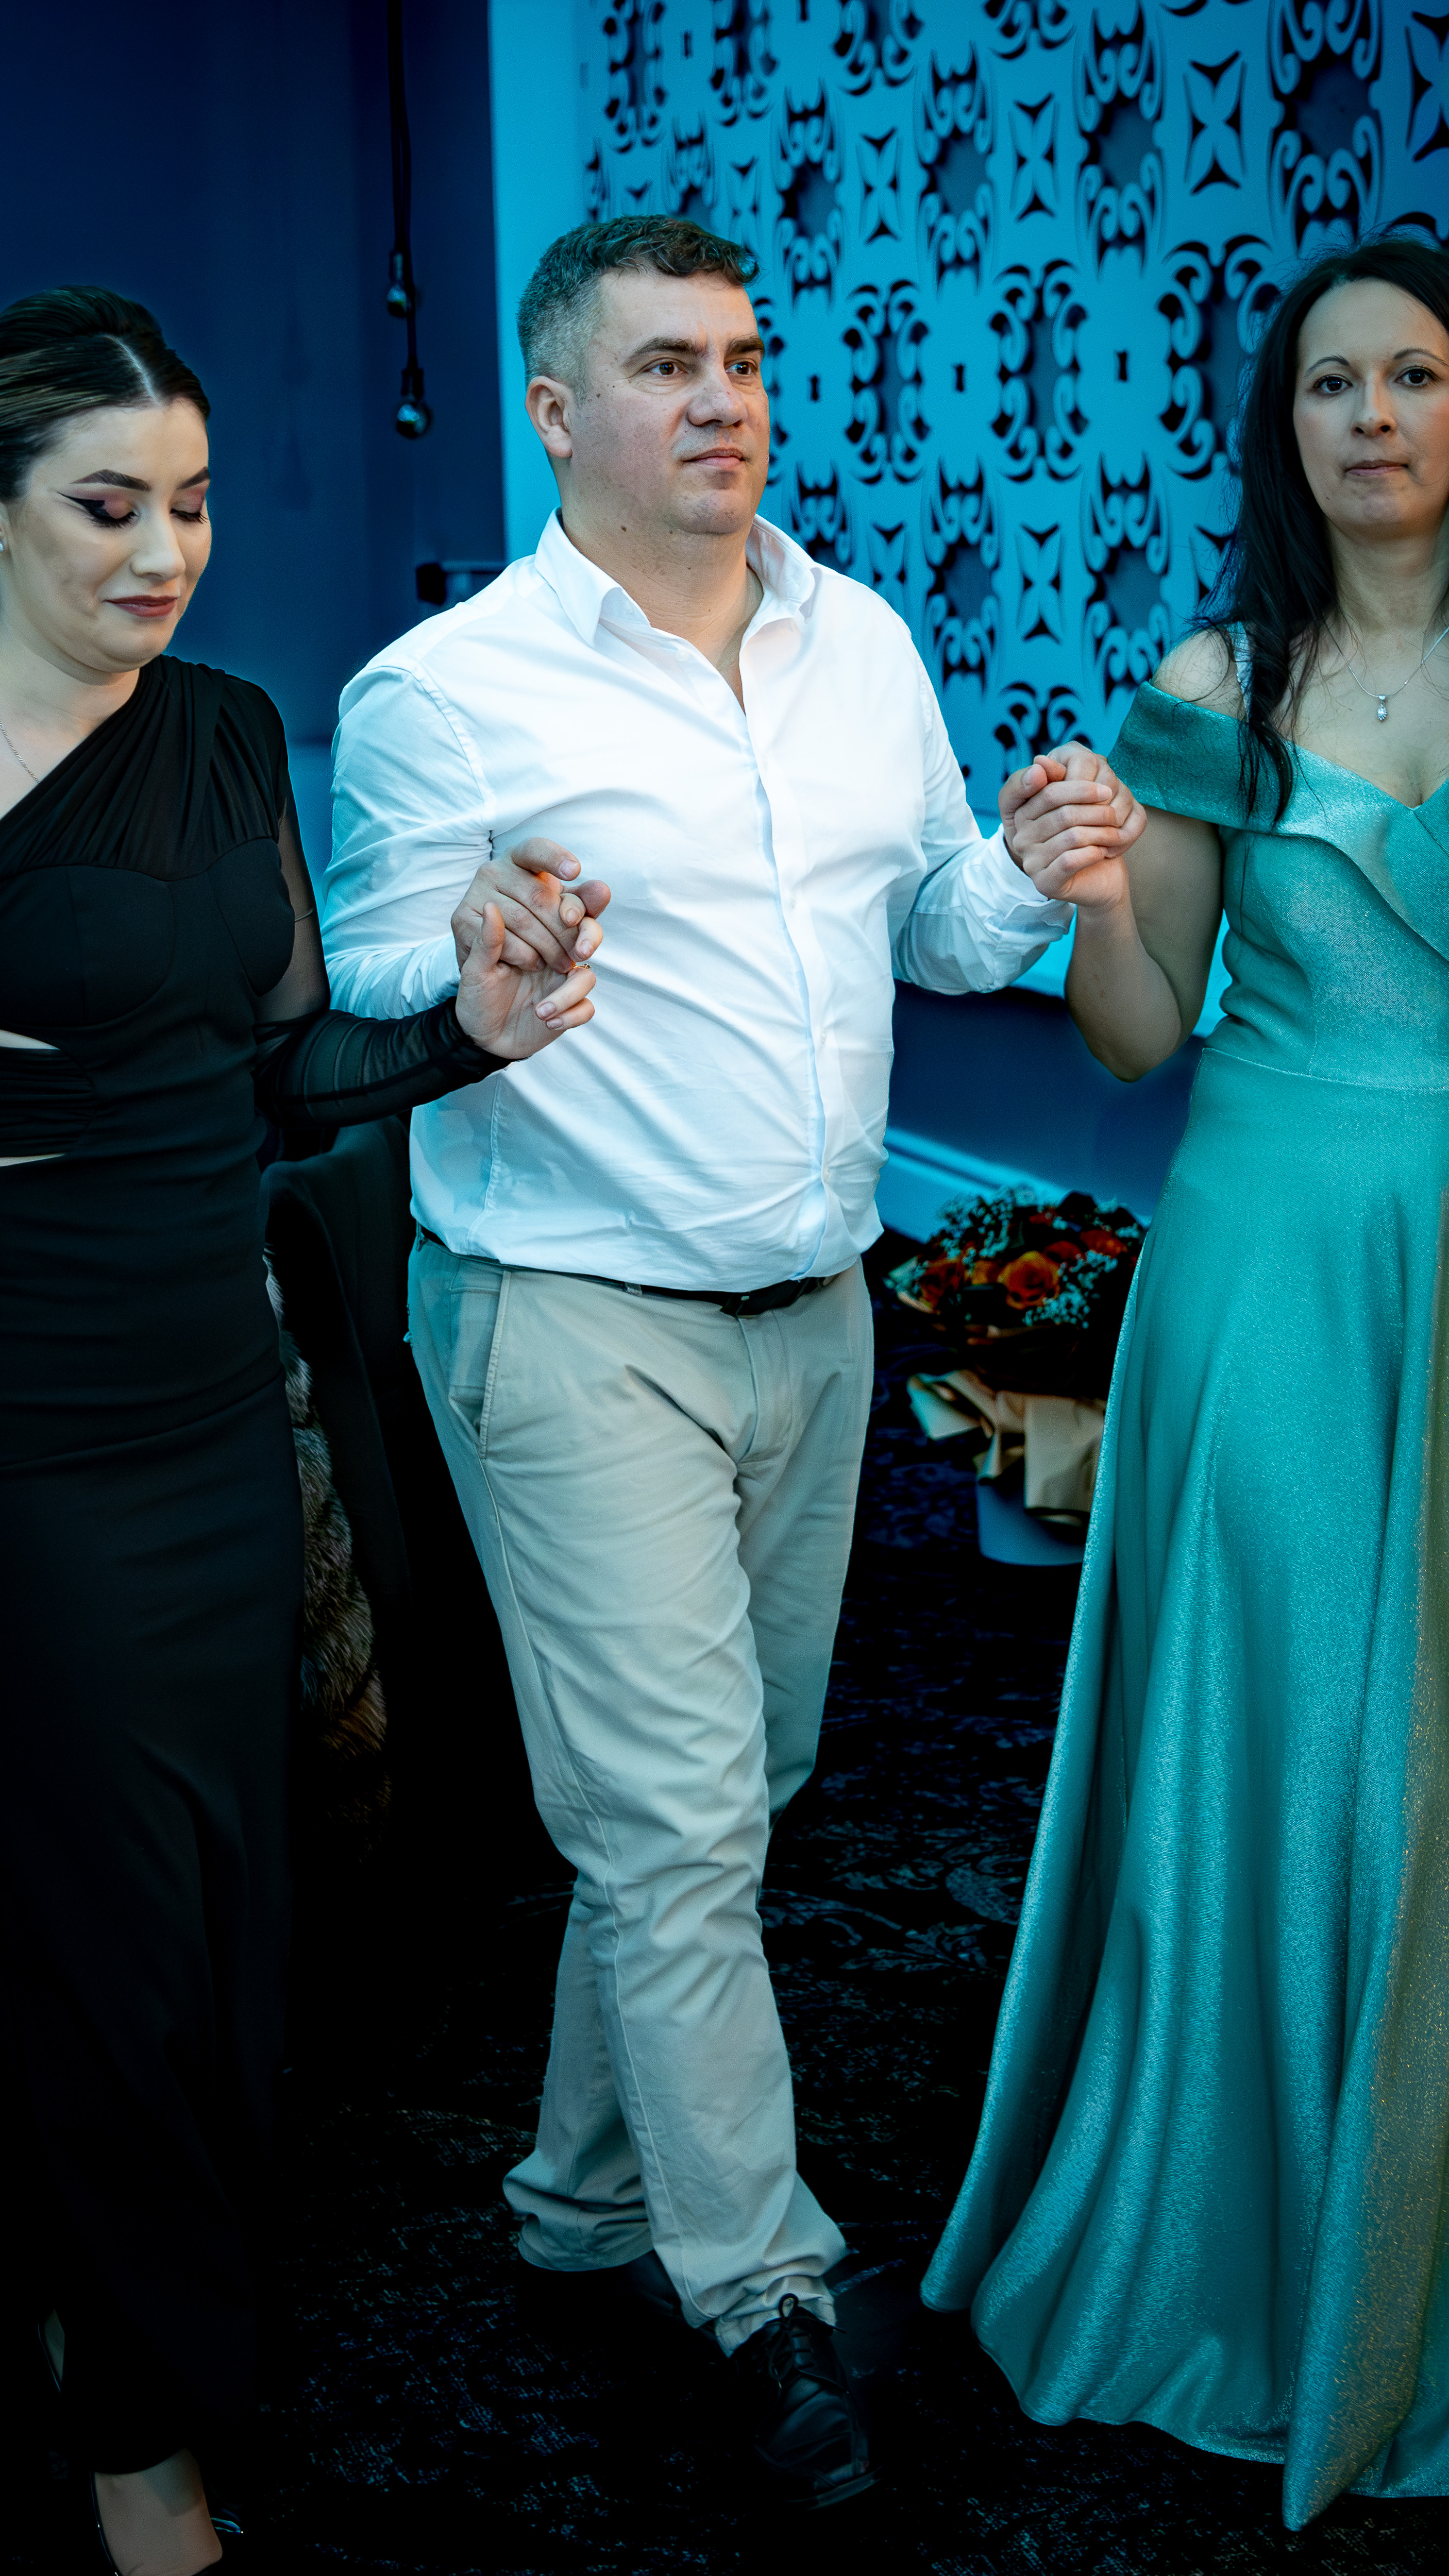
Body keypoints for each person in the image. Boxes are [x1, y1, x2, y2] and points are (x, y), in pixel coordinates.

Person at [321, 213, 1139, 2507]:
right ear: (553, 410)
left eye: (744, 359)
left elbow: (933, 930)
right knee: (677, 1823)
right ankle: (759, 2288)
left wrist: (1028, 861)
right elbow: (363, 986)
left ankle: (581, 2199)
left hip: (816, 1318)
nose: (724, 398)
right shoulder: (445, 692)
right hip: (571, 1321)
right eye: (666, 363)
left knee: (724, 1799)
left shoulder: (854, 637)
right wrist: (475, 949)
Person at [0, 285, 598, 2576]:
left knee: (232, 1914)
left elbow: (276, 1069)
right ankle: (142, 2446)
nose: (166, 552)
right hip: (28, 1424)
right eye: (109, 507)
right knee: (119, 1932)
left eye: (194, 503)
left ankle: (121, 2305)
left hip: (209, 1406)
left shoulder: (230, 731)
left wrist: (470, 1030)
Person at [922, 234, 1449, 2529]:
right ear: (1284, 426)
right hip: (1273, 1257)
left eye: (1413, 374)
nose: (1372, 417)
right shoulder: (1216, 680)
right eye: (1330, 383)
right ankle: (1252, 2238)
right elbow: (1137, 1038)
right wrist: (1098, 896)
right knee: (1300, 1737)